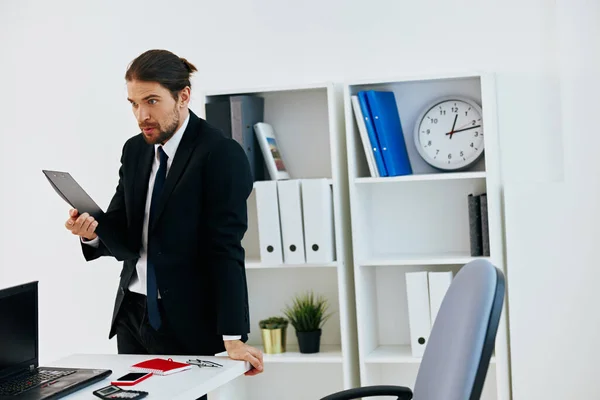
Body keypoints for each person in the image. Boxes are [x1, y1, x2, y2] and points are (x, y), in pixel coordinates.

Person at [64, 49, 264, 393]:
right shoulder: (135, 150)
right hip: (131, 313)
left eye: (152, 101)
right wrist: (91, 235)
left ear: (183, 96)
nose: (142, 115)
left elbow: (226, 248)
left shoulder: (220, 154)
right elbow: (123, 230)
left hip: (183, 320)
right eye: (133, 103)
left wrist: (233, 336)